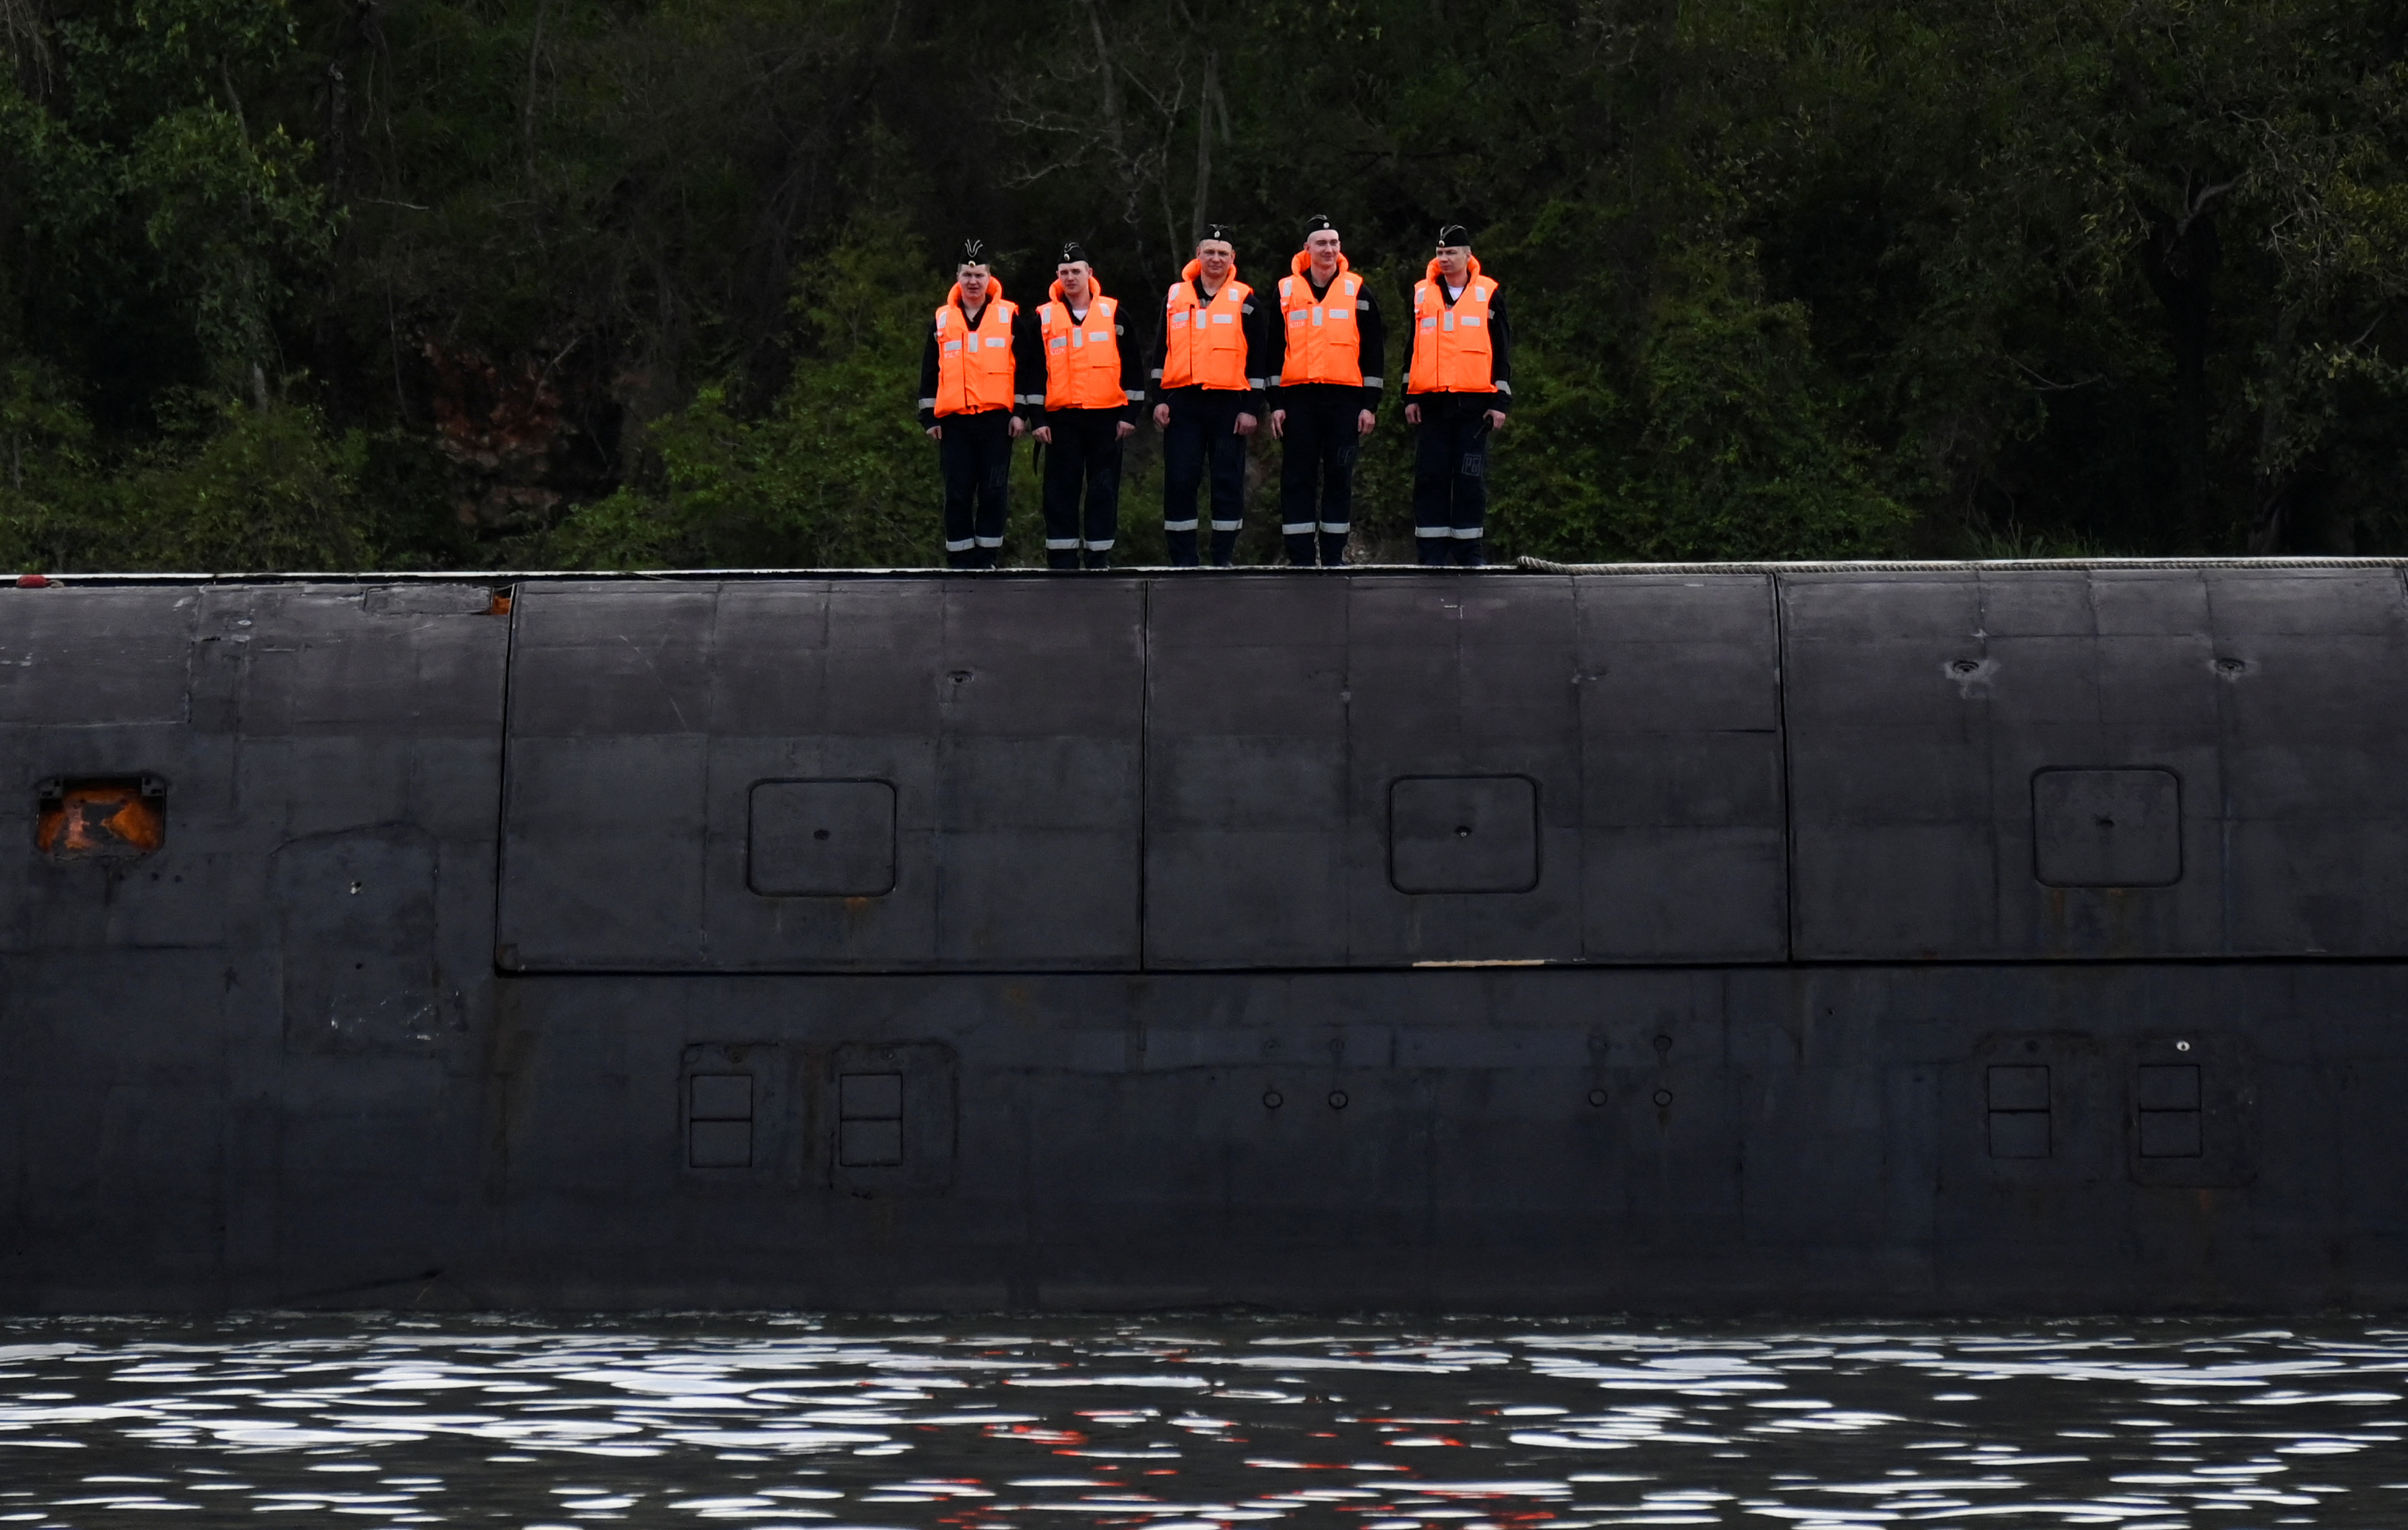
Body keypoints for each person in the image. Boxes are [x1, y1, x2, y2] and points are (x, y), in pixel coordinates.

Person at [1266, 214, 1385, 567]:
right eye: (1321, 243)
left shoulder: (1358, 290)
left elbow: (1374, 352)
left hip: (1344, 402)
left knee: (1339, 477)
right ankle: (1300, 558)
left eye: (1334, 243)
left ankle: (1333, 557)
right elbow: (1272, 351)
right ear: (1307, 249)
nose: (1329, 249)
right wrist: (1275, 403)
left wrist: (1370, 405)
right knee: (1297, 477)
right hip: (1298, 401)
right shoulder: (1286, 290)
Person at [1146, 225, 1268, 567]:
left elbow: (1259, 359)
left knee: (1227, 480)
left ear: (1233, 259)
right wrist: (1160, 400)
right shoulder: (1174, 297)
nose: (1216, 259)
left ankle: (1222, 557)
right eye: (1210, 252)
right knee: (1181, 479)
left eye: (1223, 253)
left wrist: (1251, 409)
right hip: (1183, 403)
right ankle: (1183, 558)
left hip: (1229, 404)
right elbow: (1160, 353)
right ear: (1198, 255)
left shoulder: (1246, 301)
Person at [917, 240, 1040, 568]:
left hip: (996, 421)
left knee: (994, 490)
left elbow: (1023, 368)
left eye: (980, 275)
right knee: (957, 493)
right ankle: (959, 559)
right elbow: (930, 370)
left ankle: (987, 558)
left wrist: (1020, 413)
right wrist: (929, 417)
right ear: (957, 277)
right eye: (967, 274)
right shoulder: (942, 320)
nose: (973, 281)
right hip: (955, 422)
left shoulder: (1007, 316)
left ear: (990, 278)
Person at [1403, 224, 1513, 566]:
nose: (1445, 259)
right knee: (1430, 477)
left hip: (1474, 407)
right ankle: (1431, 555)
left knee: (1469, 479)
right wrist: (1409, 397)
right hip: (1432, 405)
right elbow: (1413, 349)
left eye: (1451, 253)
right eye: (1440, 253)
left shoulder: (1489, 294)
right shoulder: (1422, 293)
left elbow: (1502, 352)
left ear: (1467, 255)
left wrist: (1501, 402)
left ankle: (1469, 553)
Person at [1030, 243, 1143, 570]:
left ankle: (1098, 557)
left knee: (1103, 490)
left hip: (1106, 419)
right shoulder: (1044, 317)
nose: (1070, 278)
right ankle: (1062, 559)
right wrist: (1037, 418)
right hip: (1061, 420)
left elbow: (1132, 367)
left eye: (1076, 271)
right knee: (1060, 491)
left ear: (1089, 273)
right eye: (1064, 272)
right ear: (1057, 277)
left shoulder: (1114, 313)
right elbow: (1035, 372)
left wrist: (1130, 415)